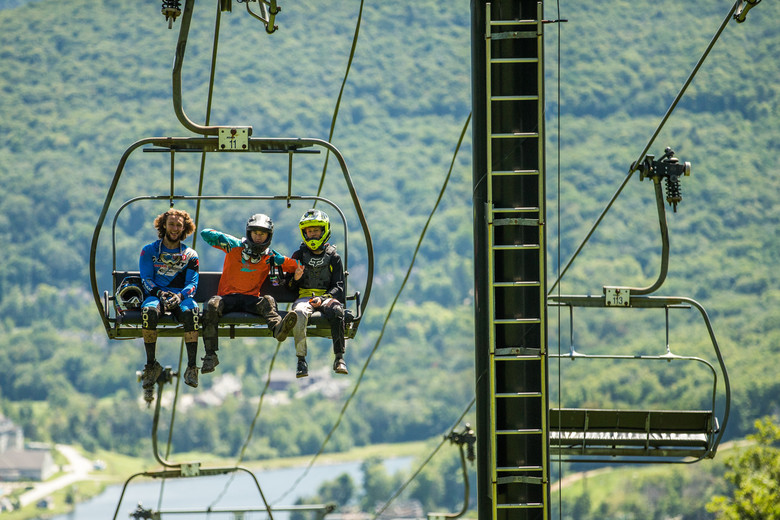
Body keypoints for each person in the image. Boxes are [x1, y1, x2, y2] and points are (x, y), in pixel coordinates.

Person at [199, 213, 299, 374]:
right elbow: (205, 234)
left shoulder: (270, 256)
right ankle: (210, 356)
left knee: (268, 301)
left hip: (250, 300)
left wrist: (298, 268)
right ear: (249, 233)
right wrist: (230, 241)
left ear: (269, 236)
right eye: (255, 233)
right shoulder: (234, 246)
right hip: (227, 299)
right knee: (211, 305)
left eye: (263, 234)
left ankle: (278, 329)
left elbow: (294, 265)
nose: (258, 237)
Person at [139, 208, 201, 400]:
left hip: (180, 297)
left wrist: (180, 297)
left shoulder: (190, 255)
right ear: (164, 225)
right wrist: (160, 293)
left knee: (192, 312)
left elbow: (192, 283)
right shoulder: (149, 251)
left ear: (184, 229)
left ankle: (191, 366)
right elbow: (146, 279)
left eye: (179, 226)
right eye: (172, 224)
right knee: (149, 311)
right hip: (157, 295)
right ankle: (151, 365)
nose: (175, 229)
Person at [288, 209, 349, 378]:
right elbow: (289, 286)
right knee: (299, 313)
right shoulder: (299, 255)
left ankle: (339, 358)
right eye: (309, 231)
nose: (313, 234)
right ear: (304, 233)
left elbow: (339, 286)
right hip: (304, 298)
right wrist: (296, 277)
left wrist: (322, 299)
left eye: (316, 230)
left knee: (337, 311)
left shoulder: (333, 257)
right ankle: (301, 360)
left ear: (324, 231)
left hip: (326, 297)